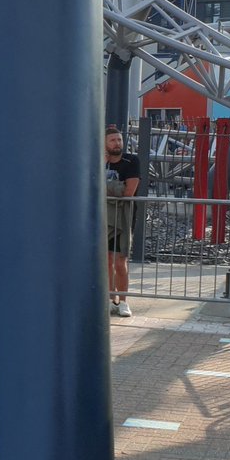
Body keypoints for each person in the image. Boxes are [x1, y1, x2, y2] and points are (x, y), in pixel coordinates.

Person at [105, 124, 139, 317]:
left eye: (119, 139)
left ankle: (123, 300)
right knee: (107, 259)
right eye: (112, 140)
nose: (117, 143)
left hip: (123, 217)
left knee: (120, 260)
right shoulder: (101, 162)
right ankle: (111, 299)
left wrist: (106, 187)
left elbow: (128, 192)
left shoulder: (131, 161)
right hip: (104, 216)